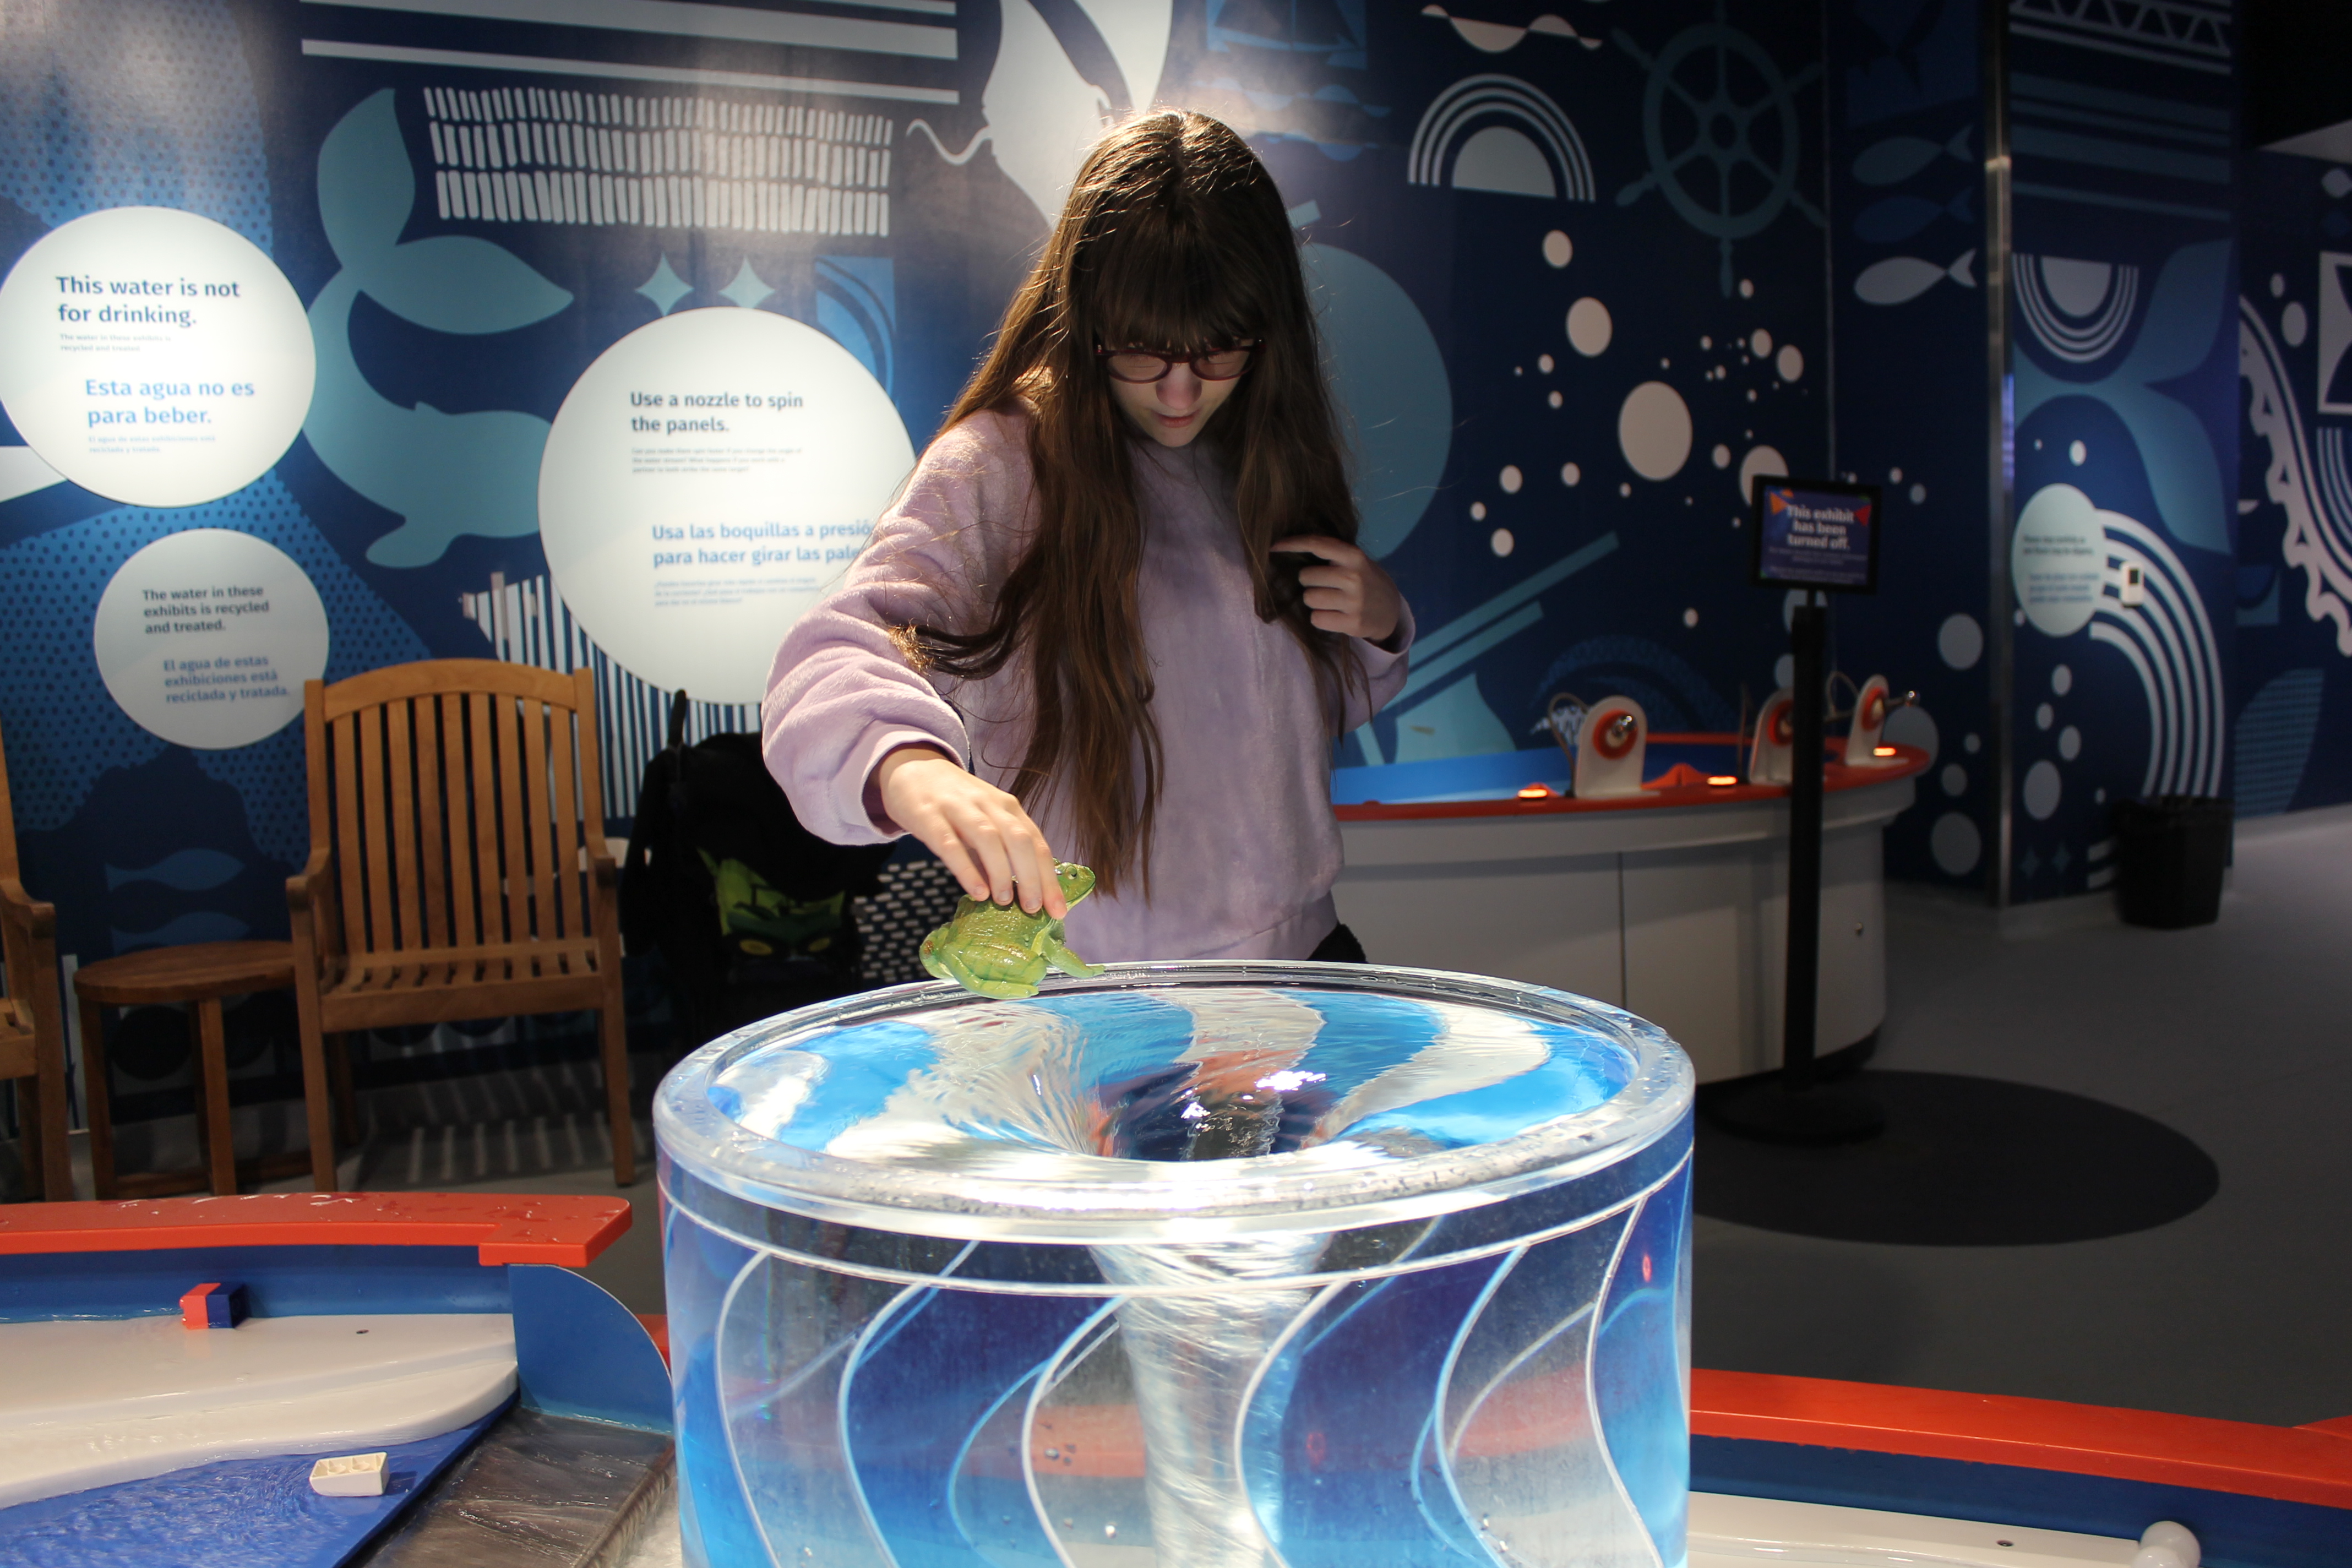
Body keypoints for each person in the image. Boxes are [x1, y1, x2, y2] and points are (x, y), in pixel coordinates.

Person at [762, 110, 1412, 964]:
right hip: (1118, 1004)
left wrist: (1380, 625)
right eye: (1143, 351)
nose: (1180, 392)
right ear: (1089, 317)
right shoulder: (1004, 464)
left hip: (1308, 967)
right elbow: (831, 655)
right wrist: (910, 767)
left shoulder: (1261, 456)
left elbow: (1283, 727)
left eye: (1218, 352)